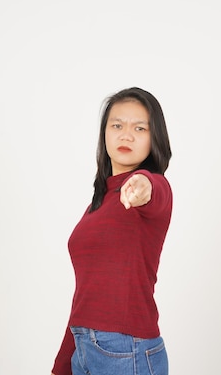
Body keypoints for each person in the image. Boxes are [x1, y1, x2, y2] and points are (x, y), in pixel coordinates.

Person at [51, 87, 173, 375]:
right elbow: (86, 293)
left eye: (139, 128)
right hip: (83, 351)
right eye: (117, 125)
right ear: (104, 133)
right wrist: (63, 362)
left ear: (154, 137)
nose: (126, 135)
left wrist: (142, 183)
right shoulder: (99, 202)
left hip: (126, 352)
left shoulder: (154, 187)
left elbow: (151, 191)